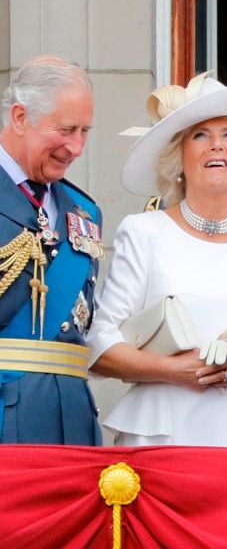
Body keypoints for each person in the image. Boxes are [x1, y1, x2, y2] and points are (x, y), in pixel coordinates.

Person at [87, 72, 227, 446]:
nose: (216, 146)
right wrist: (173, 370)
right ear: (178, 159)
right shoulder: (144, 232)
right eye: (200, 135)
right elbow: (101, 345)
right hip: (164, 440)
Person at [0, 55, 101, 445]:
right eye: (66, 129)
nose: (76, 147)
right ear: (21, 117)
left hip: (71, 418)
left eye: (85, 131)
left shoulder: (85, 210)